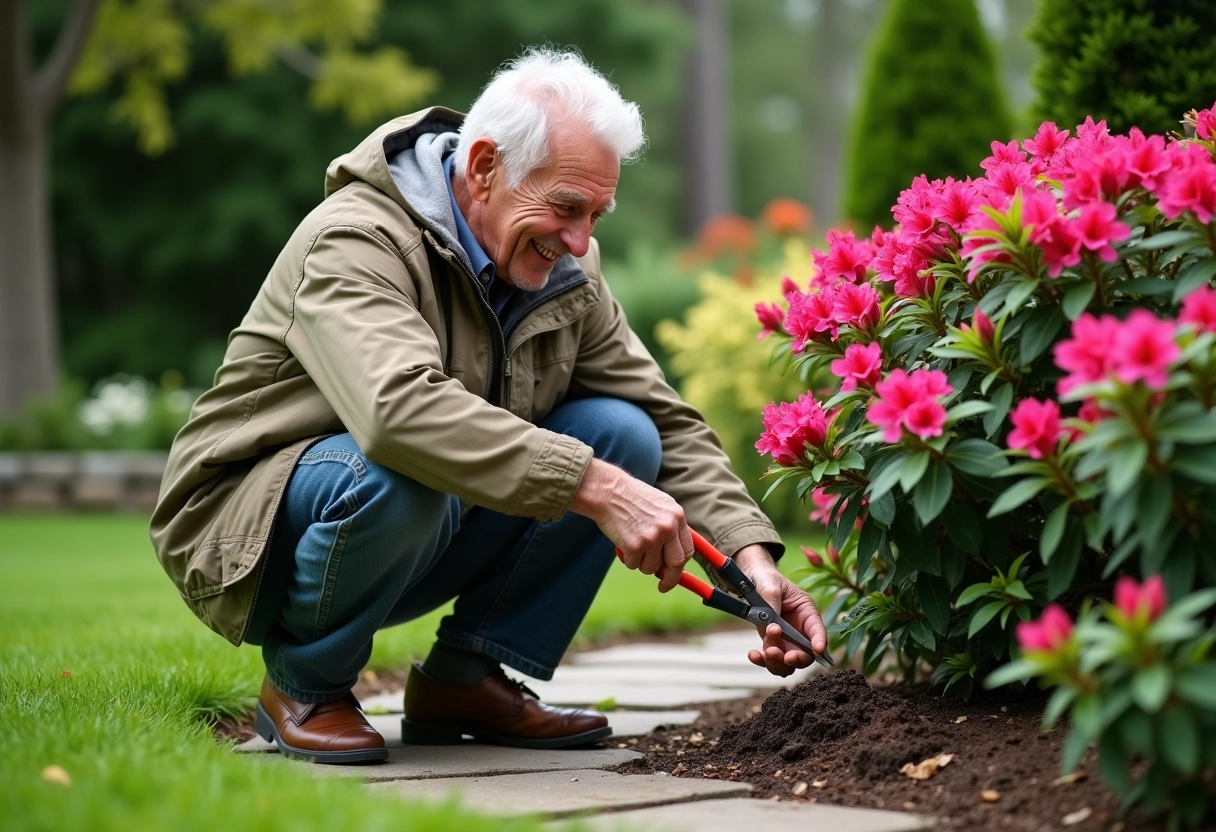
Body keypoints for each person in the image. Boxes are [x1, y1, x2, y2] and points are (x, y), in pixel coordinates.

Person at [150, 47, 827, 765]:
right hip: (252, 531)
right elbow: (399, 414)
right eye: (567, 207)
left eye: (596, 213)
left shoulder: (566, 266)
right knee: (415, 465)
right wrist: (598, 489)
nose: (580, 240)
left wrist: (748, 560)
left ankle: (465, 680)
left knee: (622, 433)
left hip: (414, 520)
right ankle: (305, 687)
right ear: (483, 169)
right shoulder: (356, 239)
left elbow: (661, 417)